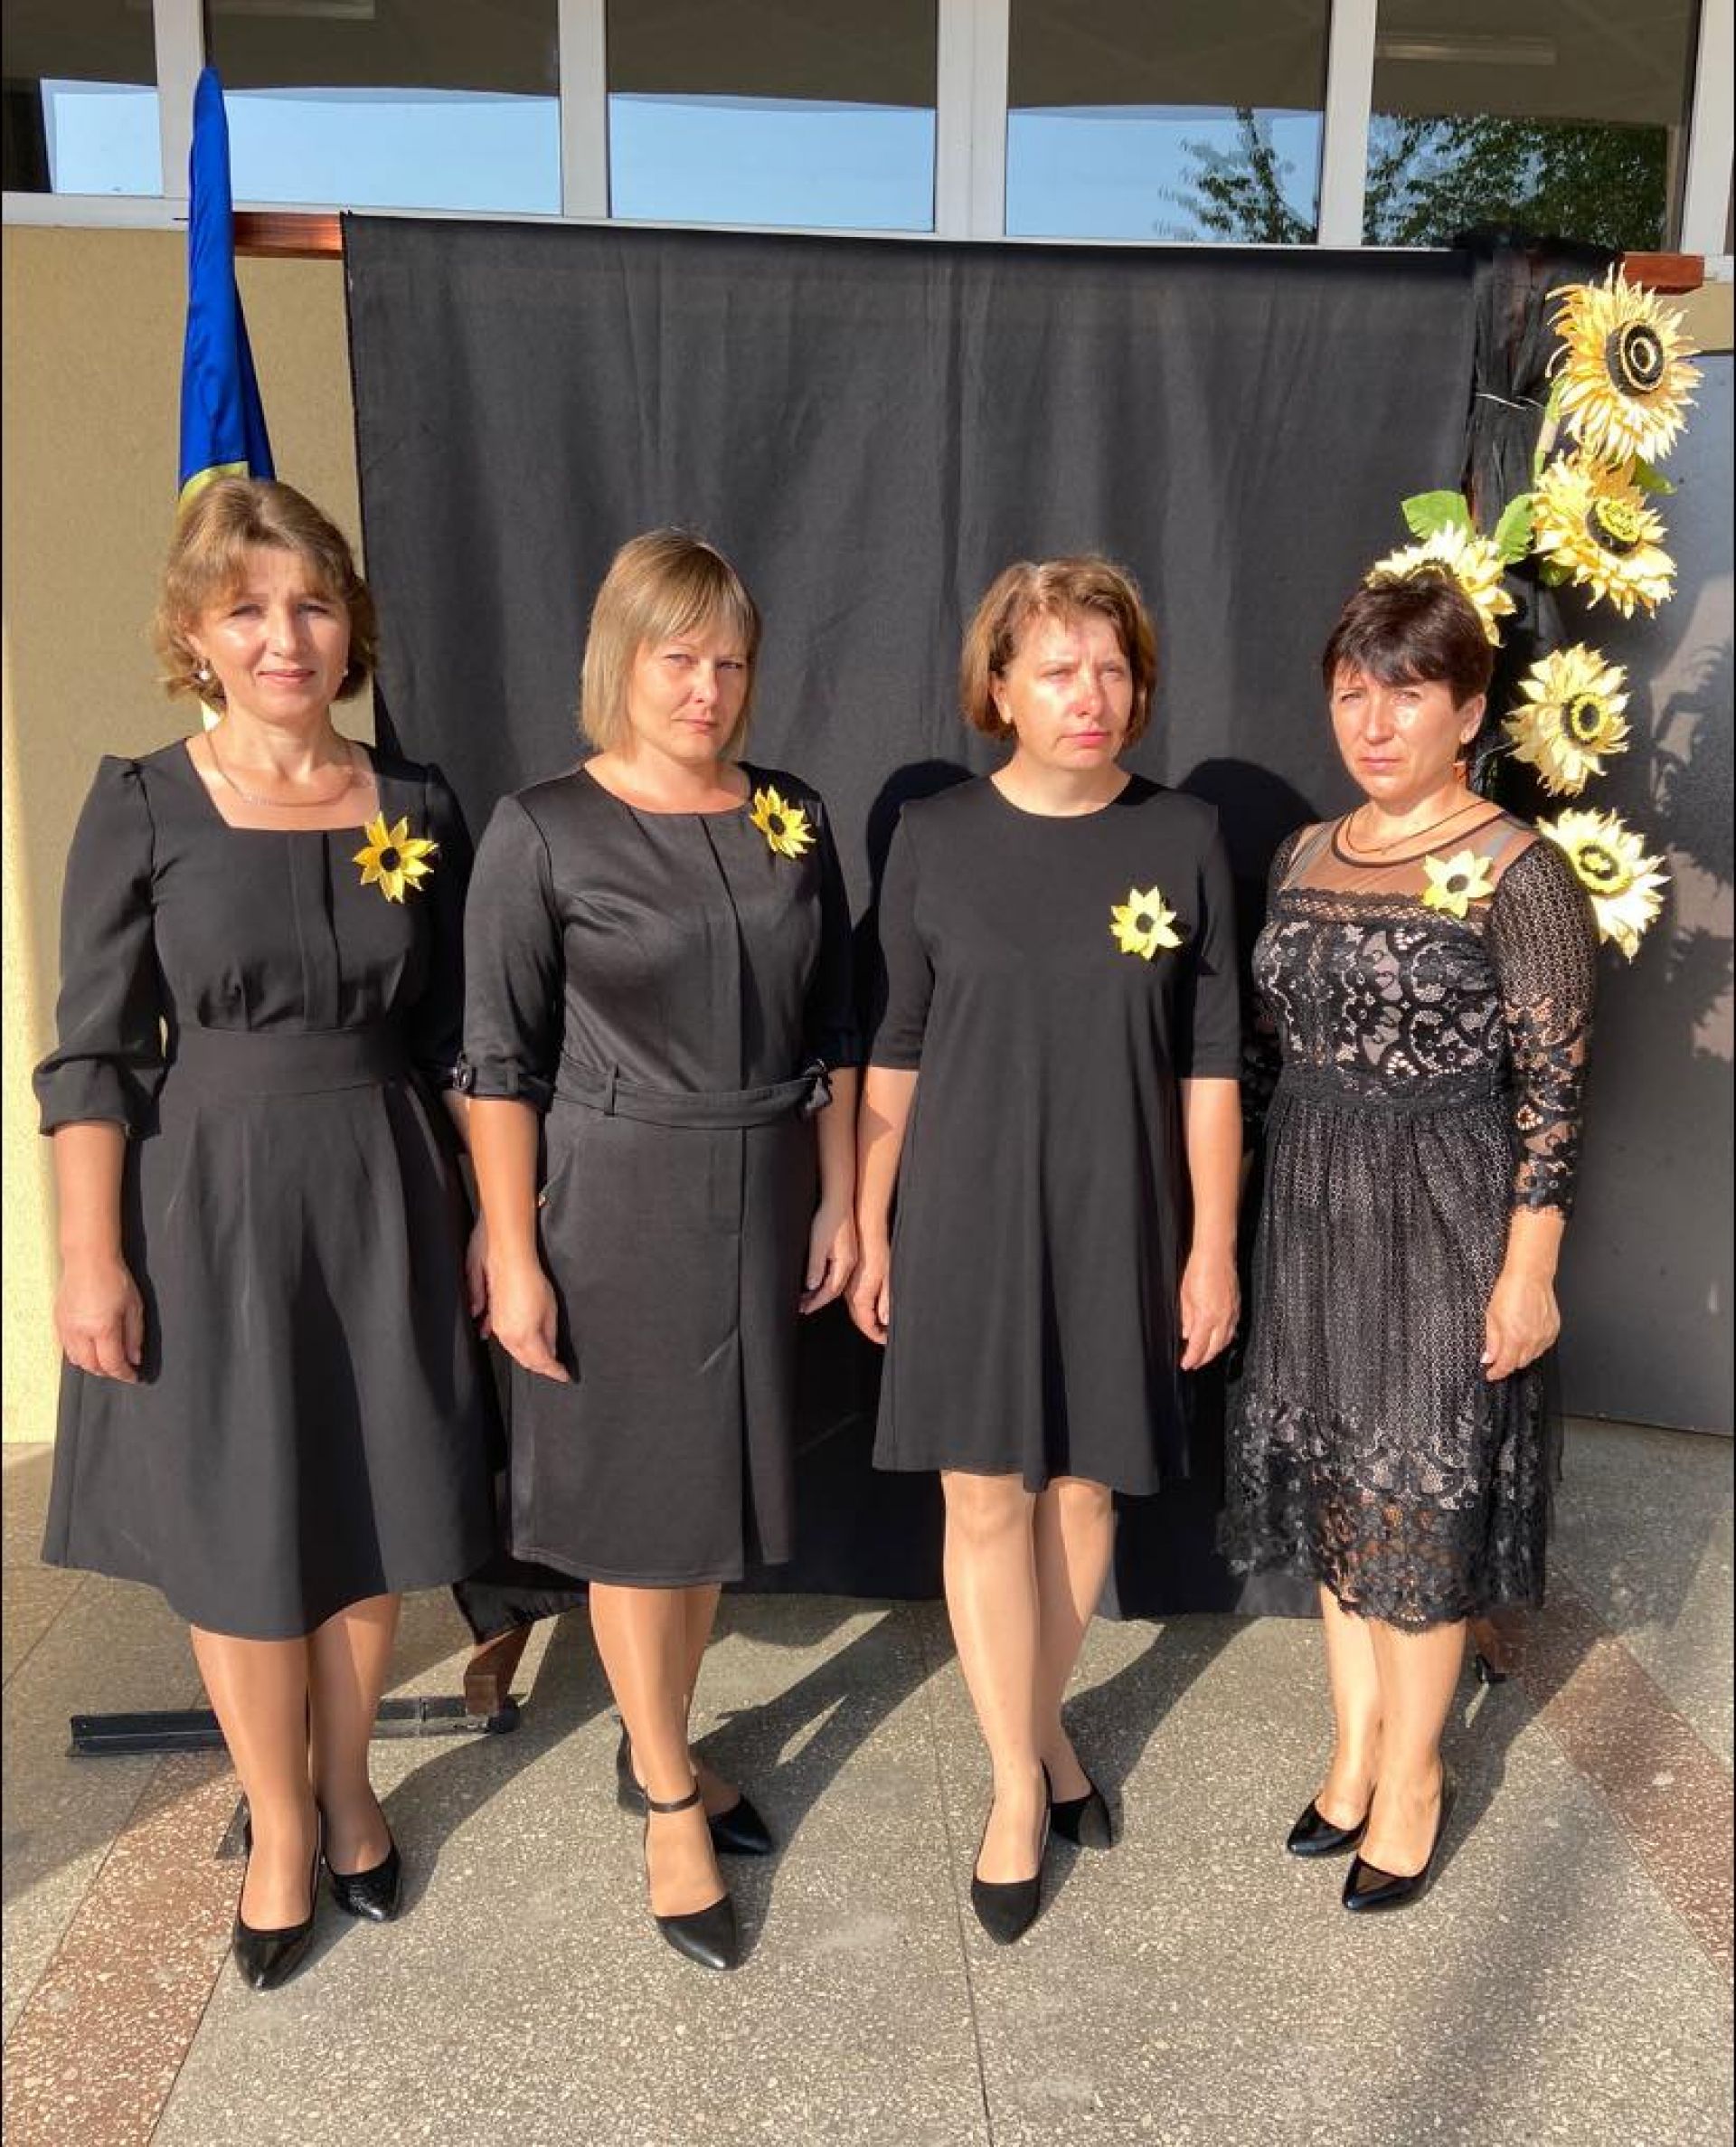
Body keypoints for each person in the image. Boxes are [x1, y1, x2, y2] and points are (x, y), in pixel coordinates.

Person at [34, 478, 496, 1990]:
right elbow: (92, 1053)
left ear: (350, 622)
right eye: (246, 608)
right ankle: (281, 1824)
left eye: (311, 603)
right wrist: (89, 1255)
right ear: (194, 632)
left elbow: (461, 1042)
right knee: (239, 1526)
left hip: (384, 1191)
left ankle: (350, 1788)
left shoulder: (416, 805)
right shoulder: (142, 801)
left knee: (372, 1507)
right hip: (210, 1206)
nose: (284, 635)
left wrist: (495, 1220)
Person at [463, 528, 858, 1973]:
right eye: (679, 657)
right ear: (620, 660)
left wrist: (840, 1197)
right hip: (615, 1198)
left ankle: (659, 1741)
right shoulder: (542, 829)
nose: (708, 687)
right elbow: (496, 1060)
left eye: (731, 661)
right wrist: (514, 1250)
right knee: (641, 1510)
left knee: (703, 1505)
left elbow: (836, 1025)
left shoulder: (793, 813)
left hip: (761, 1187)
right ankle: (672, 1800)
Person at [849, 556, 1242, 1944]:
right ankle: (1022, 1778)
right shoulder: (934, 836)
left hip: (1121, 1211)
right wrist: (868, 1214)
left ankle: (1034, 1722)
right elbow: (895, 1043)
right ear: (1000, 688)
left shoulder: (1184, 836)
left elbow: (1210, 1066)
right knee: (983, 1498)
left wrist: (1213, 1244)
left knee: (1083, 1493)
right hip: (964, 1209)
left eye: (1113, 666)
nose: (1093, 693)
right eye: (1061, 668)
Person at [1221, 569, 1599, 1911]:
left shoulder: (1519, 871)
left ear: (1470, 711)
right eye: (1350, 693)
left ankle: (1417, 1773)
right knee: (1339, 1484)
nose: (1374, 723)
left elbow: (1554, 1093)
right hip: (1312, 1209)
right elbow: (1265, 1057)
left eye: (1408, 693)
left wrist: (1530, 1270)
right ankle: (1353, 1750)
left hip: (1445, 1215)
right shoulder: (1303, 853)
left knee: (1418, 1503)